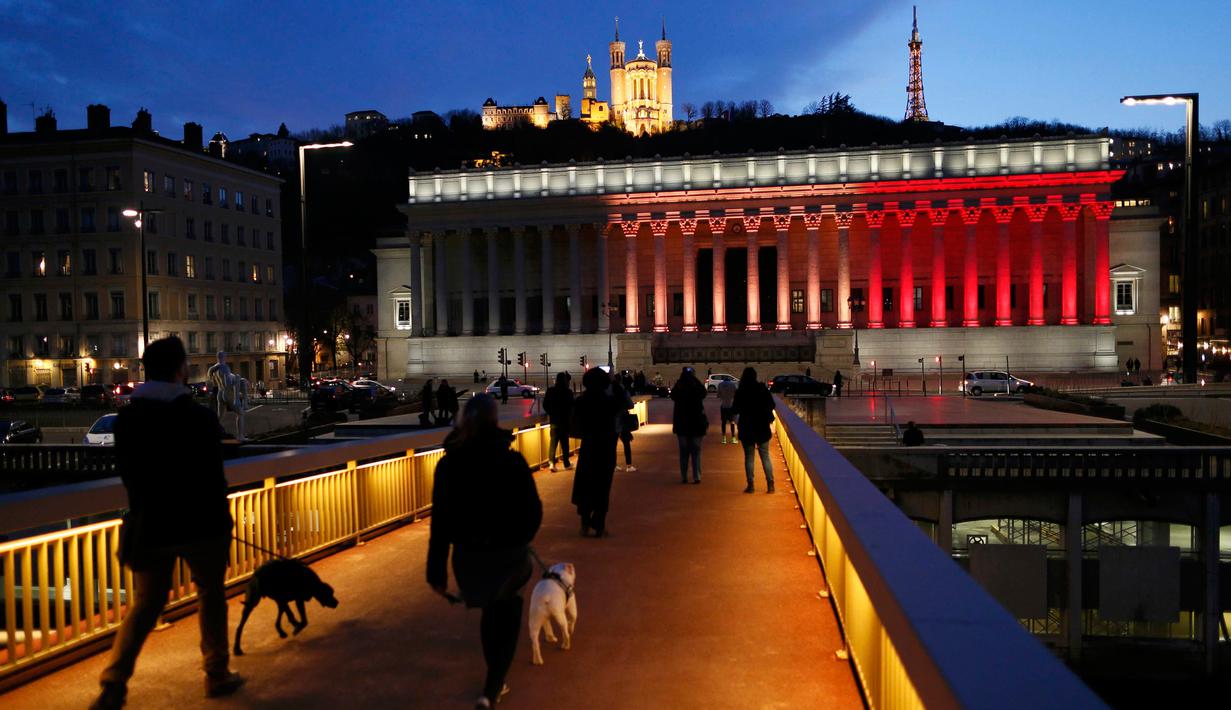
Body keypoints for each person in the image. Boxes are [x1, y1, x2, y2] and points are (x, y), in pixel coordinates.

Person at [90, 337, 242, 710]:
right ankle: (216, 674)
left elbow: (130, 475)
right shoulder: (198, 417)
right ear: (180, 370)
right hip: (200, 522)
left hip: (152, 523)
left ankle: (114, 683)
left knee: (145, 605)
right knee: (210, 595)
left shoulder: (129, 420)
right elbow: (212, 474)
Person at [427, 394, 542, 709]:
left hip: (469, 557)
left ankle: (494, 682)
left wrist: (435, 571)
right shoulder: (512, 461)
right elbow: (533, 511)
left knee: (492, 611)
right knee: (506, 611)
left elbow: (441, 521)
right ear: (495, 421)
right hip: (509, 555)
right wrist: (520, 537)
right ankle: (492, 686)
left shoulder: (448, 465)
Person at [571, 367, 622, 537]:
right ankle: (599, 525)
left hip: (588, 447)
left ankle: (584, 524)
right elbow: (623, 403)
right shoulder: (609, 401)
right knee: (603, 486)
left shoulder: (581, 401)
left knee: (585, 484)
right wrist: (615, 382)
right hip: (606, 448)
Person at [734, 367, 776, 494]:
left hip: (747, 427)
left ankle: (751, 485)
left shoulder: (741, 390)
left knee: (749, 458)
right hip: (762, 426)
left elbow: (735, 408)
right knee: (765, 456)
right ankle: (770, 485)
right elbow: (772, 405)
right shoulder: (762, 388)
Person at [671, 367, 708, 484]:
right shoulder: (696, 386)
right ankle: (696, 476)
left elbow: (672, 396)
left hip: (681, 423)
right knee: (696, 452)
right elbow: (704, 393)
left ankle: (684, 476)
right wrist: (695, 379)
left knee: (683, 452)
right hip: (696, 422)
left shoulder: (679, 386)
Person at [543, 372, 575, 471]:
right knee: (565, 444)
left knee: (553, 443)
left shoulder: (550, 391)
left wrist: (551, 413)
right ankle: (566, 463)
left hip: (554, 421)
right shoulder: (568, 392)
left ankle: (552, 463)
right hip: (565, 422)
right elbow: (572, 406)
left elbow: (545, 404)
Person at [614, 376, 636, 472]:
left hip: (612, 420)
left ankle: (614, 465)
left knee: (612, 445)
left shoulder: (609, 393)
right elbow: (631, 405)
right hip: (623, 419)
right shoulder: (624, 392)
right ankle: (629, 465)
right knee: (626, 443)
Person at [717, 375, 738, 444]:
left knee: (723, 422)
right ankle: (733, 438)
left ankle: (724, 438)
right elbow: (736, 393)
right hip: (731, 406)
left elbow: (718, 395)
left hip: (723, 406)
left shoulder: (720, 385)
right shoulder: (733, 384)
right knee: (732, 422)